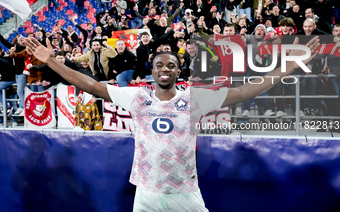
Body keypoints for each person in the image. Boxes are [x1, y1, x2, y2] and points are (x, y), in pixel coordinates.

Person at [24, 35, 319, 211]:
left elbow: (244, 91)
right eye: (160, 65)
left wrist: (286, 68)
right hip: (147, 193)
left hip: (185, 192)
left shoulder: (195, 98)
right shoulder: (137, 98)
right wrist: (52, 62)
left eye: (171, 65)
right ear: (152, 71)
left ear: (179, 71)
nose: (165, 68)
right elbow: (92, 86)